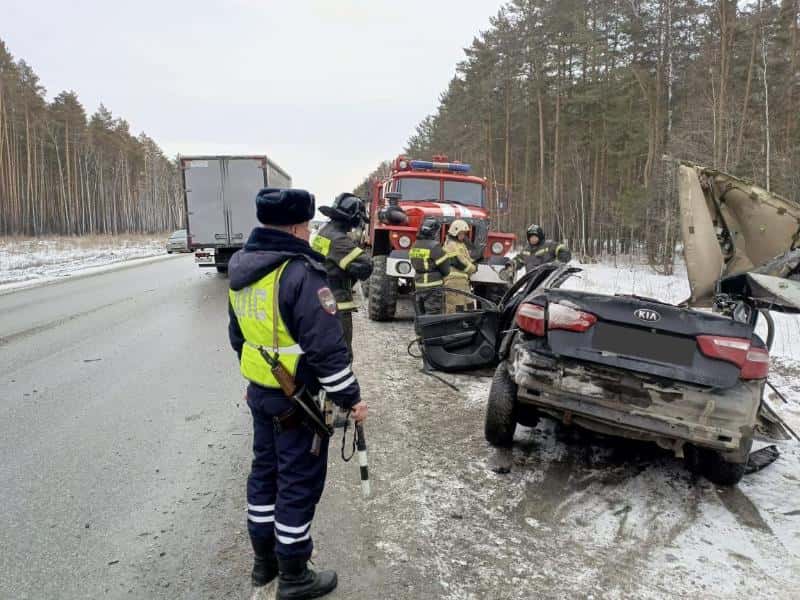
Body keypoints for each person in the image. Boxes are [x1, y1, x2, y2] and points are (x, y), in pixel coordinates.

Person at [227, 187, 368, 600]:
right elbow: (327, 350)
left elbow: (239, 338)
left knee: (264, 475)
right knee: (297, 483)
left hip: (262, 394)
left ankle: (263, 562)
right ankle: (293, 575)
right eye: (306, 226)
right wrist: (351, 399)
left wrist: (258, 383)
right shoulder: (299, 273)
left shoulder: (242, 269)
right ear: (294, 226)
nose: (309, 233)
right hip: (299, 402)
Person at [313, 193, 373, 355]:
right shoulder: (339, 240)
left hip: (322, 298)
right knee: (342, 354)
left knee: (327, 353)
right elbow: (366, 265)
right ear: (352, 217)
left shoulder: (324, 231)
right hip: (337, 304)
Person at [409, 217, 450, 315]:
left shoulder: (415, 245)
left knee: (420, 314)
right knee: (433, 315)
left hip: (418, 285)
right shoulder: (435, 246)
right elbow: (446, 270)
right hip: (433, 286)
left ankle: (420, 330)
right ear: (434, 232)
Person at [442, 219, 477, 314]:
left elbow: (467, 259)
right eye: (461, 233)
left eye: (464, 233)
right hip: (453, 281)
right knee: (455, 308)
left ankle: (467, 326)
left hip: (463, 281)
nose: (463, 236)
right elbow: (459, 262)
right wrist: (473, 268)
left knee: (469, 306)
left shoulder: (460, 244)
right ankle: (452, 327)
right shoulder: (451, 245)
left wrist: (475, 262)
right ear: (455, 232)